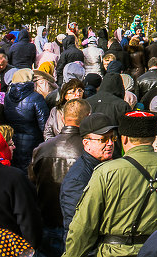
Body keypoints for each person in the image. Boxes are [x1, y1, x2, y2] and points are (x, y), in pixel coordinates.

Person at [63, 111, 157, 257]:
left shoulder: (105, 172)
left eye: (113, 138)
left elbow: (84, 226)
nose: (110, 143)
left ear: (124, 139)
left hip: (117, 252)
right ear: (154, 137)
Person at [29, 99, 89, 257]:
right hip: (77, 225)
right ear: (88, 117)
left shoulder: (42, 148)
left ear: (63, 118)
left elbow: (31, 182)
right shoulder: (90, 151)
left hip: (48, 220)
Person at [58, 114, 118, 234]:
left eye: (112, 138)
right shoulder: (77, 179)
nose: (110, 143)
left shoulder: (112, 164)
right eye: (104, 139)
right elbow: (78, 225)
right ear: (86, 143)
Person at [4, 69, 48, 173]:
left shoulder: (7, 97)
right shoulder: (36, 97)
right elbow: (44, 123)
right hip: (33, 140)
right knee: (29, 169)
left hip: (13, 139)